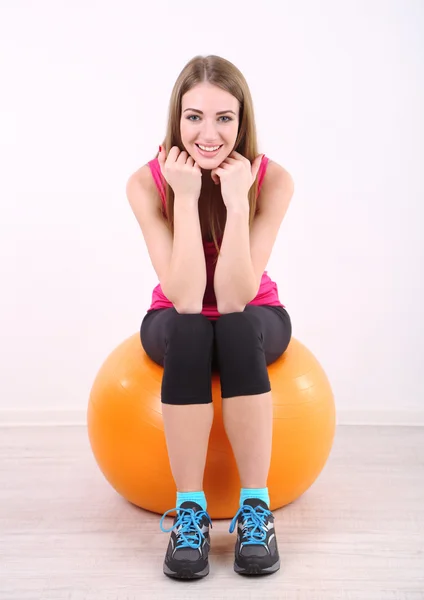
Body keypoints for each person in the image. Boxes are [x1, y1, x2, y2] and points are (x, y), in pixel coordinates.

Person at [126, 54, 294, 580]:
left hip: (255, 314)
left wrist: (238, 203)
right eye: (194, 116)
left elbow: (237, 295)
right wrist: (187, 195)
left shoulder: (273, 180)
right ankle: (191, 512)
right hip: (176, 318)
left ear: (242, 123)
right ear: (177, 118)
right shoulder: (146, 183)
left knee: (236, 324)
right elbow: (185, 296)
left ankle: (255, 509)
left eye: (224, 118)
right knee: (195, 326)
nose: (209, 133)